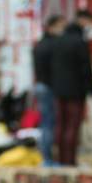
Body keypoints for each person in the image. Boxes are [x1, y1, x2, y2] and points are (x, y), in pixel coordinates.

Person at [49, 10, 92, 166]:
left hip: (59, 90)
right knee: (72, 127)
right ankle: (69, 161)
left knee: (61, 125)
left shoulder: (58, 40)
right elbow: (86, 68)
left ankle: (61, 159)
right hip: (76, 92)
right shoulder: (79, 42)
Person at [32, 14, 66, 163]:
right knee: (48, 124)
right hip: (48, 87)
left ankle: (45, 156)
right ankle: (47, 158)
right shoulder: (53, 45)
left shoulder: (39, 44)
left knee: (45, 122)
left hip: (40, 85)